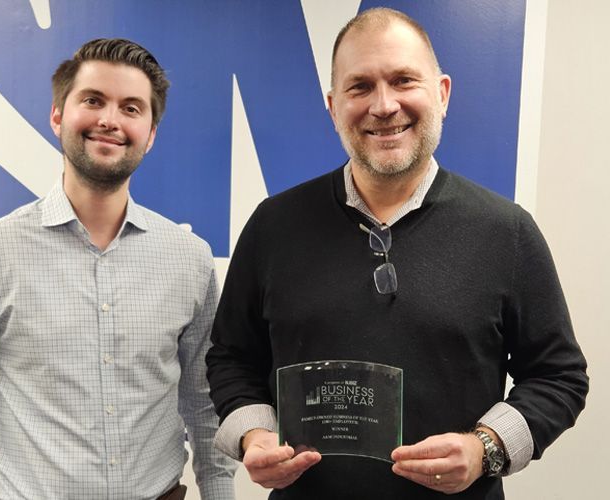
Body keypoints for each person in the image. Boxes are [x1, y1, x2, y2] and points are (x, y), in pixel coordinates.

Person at [206, 8, 588, 499]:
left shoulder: (506, 231)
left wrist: (484, 448)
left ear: (442, 93)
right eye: (359, 87)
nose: (384, 105)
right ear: (332, 106)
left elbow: (559, 376)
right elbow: (231, 358)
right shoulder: (272, 226)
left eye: (403, 80)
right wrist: (254, 435)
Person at [0, 38, 236, 500]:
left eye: (131, 108)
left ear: (150, 134)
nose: (109, 119)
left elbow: (205, 404)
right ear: (57, 116)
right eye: (93, 100)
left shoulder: (189, 257)